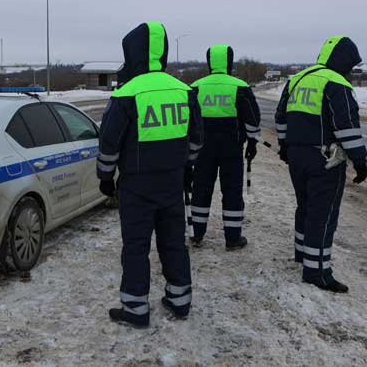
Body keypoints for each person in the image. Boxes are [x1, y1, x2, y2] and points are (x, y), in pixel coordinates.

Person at [97, 21, 203, 328]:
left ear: (133, 52)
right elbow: (197, 140)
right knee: (174, 243)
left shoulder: (127, 94)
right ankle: (180, 301)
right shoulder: (184, 91)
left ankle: (135, 309)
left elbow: (109, 143)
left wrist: (105, 177)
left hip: (136, 186)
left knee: (136, 246)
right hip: (172, 182)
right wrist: (186, 167)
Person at [274, 35, 367, 294]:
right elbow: (347, 127)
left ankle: (303, 254)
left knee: (305, 207)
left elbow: (281, 118)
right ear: (344, 61)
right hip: (325, 159)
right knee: (323, 214)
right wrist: (360, 161)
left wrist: (285, 147)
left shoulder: (297, 79)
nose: (350, 71)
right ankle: (317, 272)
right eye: (350, 65)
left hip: (297, 156)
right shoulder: (337, 83)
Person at [188, 45, 261, 249]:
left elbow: (190, 120)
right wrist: (252, 143)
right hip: (232, 148)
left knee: (201, 189)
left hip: (203, 149)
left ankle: (196, 234)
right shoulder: (240, 86)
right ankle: (232, 238)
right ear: (229, 62)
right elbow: (252, 118)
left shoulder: (196, 86)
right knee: (232, 191)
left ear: (209, 62)